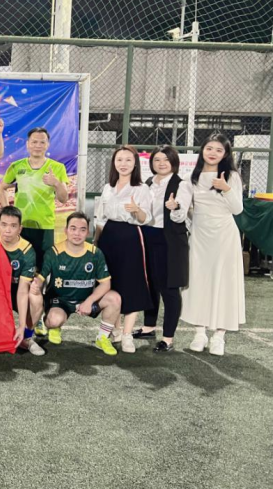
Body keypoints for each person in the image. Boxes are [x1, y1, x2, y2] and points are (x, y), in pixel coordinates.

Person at [181, 133, 245, 356]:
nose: (213, 153)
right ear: (202, 150)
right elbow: (186, 209)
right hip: (200, 237)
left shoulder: (232, 177)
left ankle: (219, 336)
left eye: (219, 150)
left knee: (225, 283)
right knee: (198, 282)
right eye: (209, 148)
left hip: (225, 237)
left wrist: (226, 188)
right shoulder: (192, 177)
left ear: (225, 154)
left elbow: (237, 209)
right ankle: (199, 333)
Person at [29, 212, 121, 356]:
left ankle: (102, 338)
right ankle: (54, 326)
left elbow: (105, 284)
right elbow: (41, 277)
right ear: (66, 230)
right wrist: (36, 283)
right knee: (54, 320)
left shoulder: (95, 253)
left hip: (87, 299)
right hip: (60, 301)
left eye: (82, 229)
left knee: (114, 298)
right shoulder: (53, 252)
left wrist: (89, 302)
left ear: (87, 232)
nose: (77, 233)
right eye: (73, 228)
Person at [94, 145, 153, 354]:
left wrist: (137, 211)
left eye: (128, 160)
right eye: (119, 159)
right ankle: (115, 330)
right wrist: (96, 242)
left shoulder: (141, 188)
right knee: (112, 284)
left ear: (135, 163)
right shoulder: (108, 187)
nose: (123, 164)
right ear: (114, 163)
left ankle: (128, 335)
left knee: (131, 285)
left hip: (130, 237)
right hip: (108, 237)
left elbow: (147, 218)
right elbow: (100, 218)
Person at [136, 145, 191, 352]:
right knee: (149, 284)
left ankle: (168, 338)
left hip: (169, 241)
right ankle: (148, 327)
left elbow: (181, 216)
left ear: (174, 162)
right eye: (157, 159)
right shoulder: (148, 183)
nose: (161, 163)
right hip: (147, 236)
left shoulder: (182, 184)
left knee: (169, 288)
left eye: (166, 159)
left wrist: (175, 207)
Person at [0, 127, 69, 272]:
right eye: (34, 142)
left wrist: (56, 183)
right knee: (17, 267)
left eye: (42, 142)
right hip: (20, 226)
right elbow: (2, 187)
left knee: (42, 268)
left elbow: (63, 199)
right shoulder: (16, 166)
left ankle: (40, 288)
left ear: (47, 145)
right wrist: (7, 212)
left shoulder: (57, 167)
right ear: (28, 144)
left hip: (45, 226)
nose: (38, 146)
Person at [0, 206, 45, 356]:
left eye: (13, 226)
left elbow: (23, 290)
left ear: (20, 229)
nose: (7, 230)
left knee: (36, 298)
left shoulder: (27, 251)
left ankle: (26, 337)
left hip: (16, 291)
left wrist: (22, 325)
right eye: (4, 225)